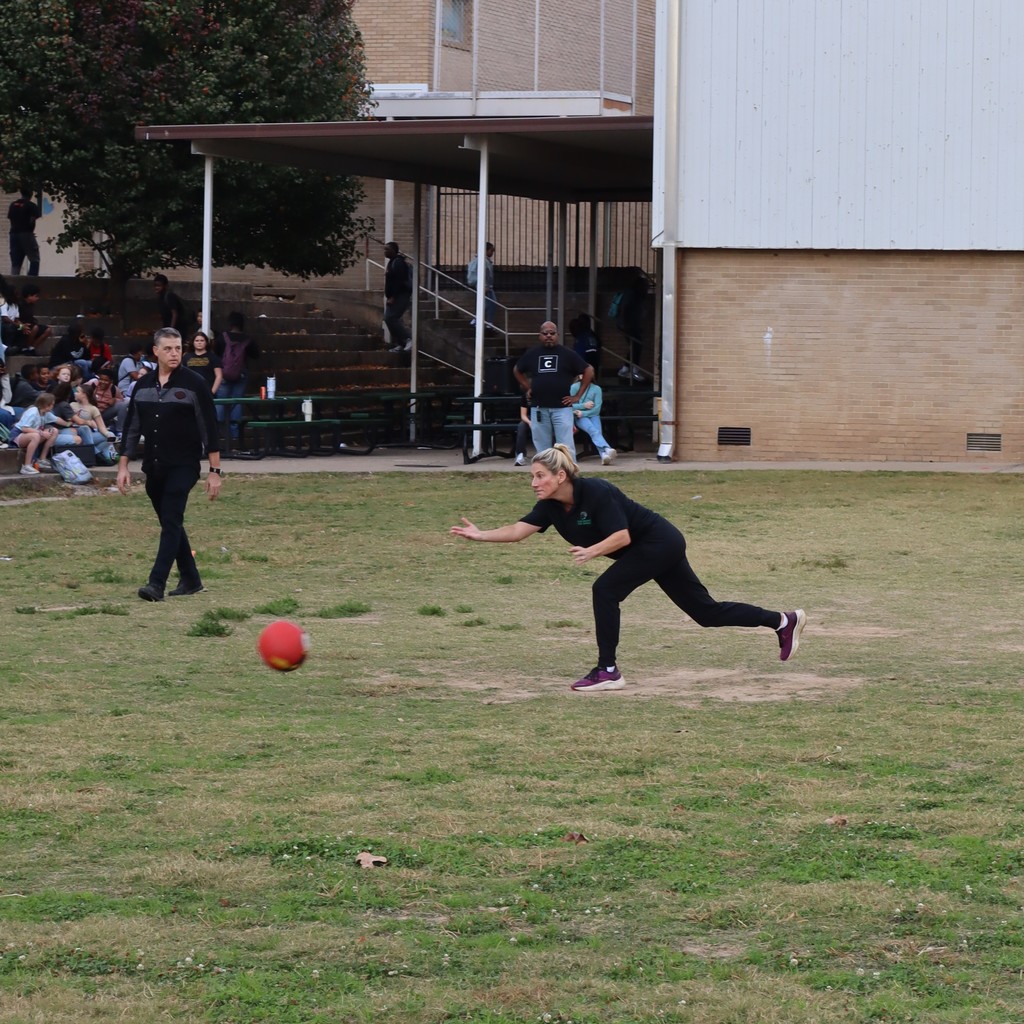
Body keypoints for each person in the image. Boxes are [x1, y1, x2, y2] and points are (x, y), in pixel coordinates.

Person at [450, 444, 806, 692]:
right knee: (706, 613)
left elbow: (621, 536)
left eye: (540, 475)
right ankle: (782, 620)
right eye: (532, 476)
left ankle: (608, 670)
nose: (533, 483)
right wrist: (481, 535)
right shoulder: (550, 507)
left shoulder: (597, 491)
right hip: (649, 551)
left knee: (605, 590)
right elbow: (517, 531)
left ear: (560, 476)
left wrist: (591, 551)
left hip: (659, 543)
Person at [116, 327, 222, 602]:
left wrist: (215, 471)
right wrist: (123, 466)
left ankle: (156, 584)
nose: (174, 354)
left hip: (184, 465)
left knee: (171, 519)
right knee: (170, 522)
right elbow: (131, 428)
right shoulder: (143, 385)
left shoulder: (194, 383)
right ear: (156, 351)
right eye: (168, 349)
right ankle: (191, 578)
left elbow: (209, 428)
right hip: (154, 466)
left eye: (178, 348)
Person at [513, 321, 594, 461]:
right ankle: (546, 478)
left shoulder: (567, 354)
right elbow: (517, 370)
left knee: (566, 447)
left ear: (558, 335)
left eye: (552, 333)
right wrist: (528, 387)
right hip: (539, 407)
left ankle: (570, 477)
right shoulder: (532, 353)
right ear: (539, 335)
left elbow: (589, 370)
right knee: (542, 449)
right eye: (545, 333)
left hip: (562, 408)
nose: (549, 336)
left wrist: (578, 396)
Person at [214, 312, 258, 439]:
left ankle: (218, 435)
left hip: (223, 374)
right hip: (241, 375)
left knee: (221, 402)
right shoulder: (248, 339)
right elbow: (256, 355)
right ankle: (235, 436)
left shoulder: (222, 337)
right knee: (237, 402)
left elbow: (216, 354)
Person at [570, 376, 616, 466]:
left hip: (592, 415)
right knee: (592, 430)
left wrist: (584, 413)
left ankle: (604, 455)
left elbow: (597, 409)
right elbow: (569, 405)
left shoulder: (597, 389)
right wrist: (584, 406)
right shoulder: (574, 387)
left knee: (597, 432)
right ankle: (607, 449)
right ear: (579, 376)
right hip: (578, 416)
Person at [11, 393, 58, 475]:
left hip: (31, 435)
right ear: (46, 405)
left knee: (54, 431)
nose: (53, 406)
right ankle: (26, 466)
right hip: (18, 435)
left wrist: (69, 423)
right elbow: (24, 428)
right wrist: (41, 432)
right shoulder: (33, 412)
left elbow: (58, 420)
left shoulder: (45, 413)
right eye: (52, 404)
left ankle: (41, 459)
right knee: (36, 436)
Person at [617, 272, 648, 381]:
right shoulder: (632, 294)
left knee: (635, 346)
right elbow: (625, 309)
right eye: (645, 285)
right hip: (629, 325)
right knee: (636, 346)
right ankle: (631, 371)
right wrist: (625, 325)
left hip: (632, 325)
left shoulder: (637, 295)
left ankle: (627, 369)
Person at [382, 241, 412, 352]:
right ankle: (401, 343)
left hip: (400, 296)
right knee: (388, 319)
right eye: (384, 249)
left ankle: (408, 339)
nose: (385, 252)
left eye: (387, 249)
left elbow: (400, 281)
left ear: (394, 251)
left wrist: (393, 296)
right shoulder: (391, 262)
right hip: (394, 296)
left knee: (391, 318)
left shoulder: (398, 263)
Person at [8, 187, 40, 277]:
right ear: (31, 194)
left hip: (13, 234)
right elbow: (32, 219)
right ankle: (32, 281)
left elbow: (11, 219)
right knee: (34, 259)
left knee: (16, 261)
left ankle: (14, 282)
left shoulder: (13, 205)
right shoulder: (31, 206)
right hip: (26, 233)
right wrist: (30, 230)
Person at [467, 241, 498, 330]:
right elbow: (480, 274)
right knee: (488, 303)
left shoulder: (486, 261)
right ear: (486, 250)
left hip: (487, 287)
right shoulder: (481, 261)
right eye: (491, 250)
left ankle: (483, 321)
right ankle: (481, 321)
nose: (492, 253)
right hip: (485, 287)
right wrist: (483, 286)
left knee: (490, 303)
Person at [184, 329, 223, 397]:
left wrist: (212, 392)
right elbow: (182, 374)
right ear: (193, 342)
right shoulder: (186, 357)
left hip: (207, 392)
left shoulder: (213, 357)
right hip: (190, 393)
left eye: (202, 340)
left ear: (206, 342)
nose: (199, 342)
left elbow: (219, 376)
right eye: (197, 340)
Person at [513, 393, 532, 467]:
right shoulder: (525, 396)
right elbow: (523, 415)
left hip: (542, 417)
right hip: (530, 418)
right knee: (521, 426)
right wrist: (529, 422)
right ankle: (520, 455)